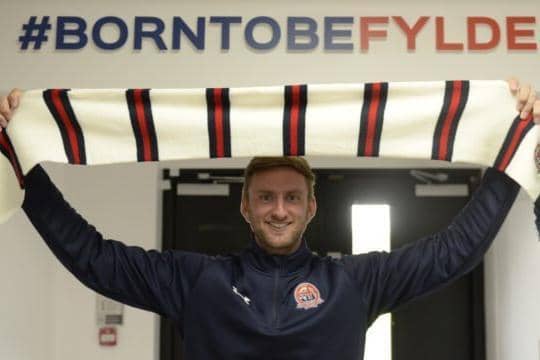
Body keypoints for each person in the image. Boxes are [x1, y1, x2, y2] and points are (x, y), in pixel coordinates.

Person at [0, 81, 539, 359]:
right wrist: (27, 170)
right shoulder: (197, 281)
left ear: (311, 207)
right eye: (264, 198)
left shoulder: (354, 282)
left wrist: (511, 159)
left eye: (290, 198)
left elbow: (455, 251)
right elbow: (94, 258)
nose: (278, 209)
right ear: (245, 206)